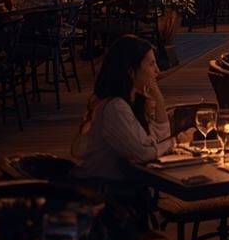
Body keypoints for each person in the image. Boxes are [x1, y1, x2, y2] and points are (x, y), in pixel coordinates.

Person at [70, 36, 178, 182]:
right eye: (151, 64)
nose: (157, 71)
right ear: (131, 72)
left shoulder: (130, 104)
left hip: (120, 187)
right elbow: (143, 153)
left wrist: (158, 98)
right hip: (101, 191)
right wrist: (173, 142)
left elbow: (156, 141)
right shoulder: (115, 108)